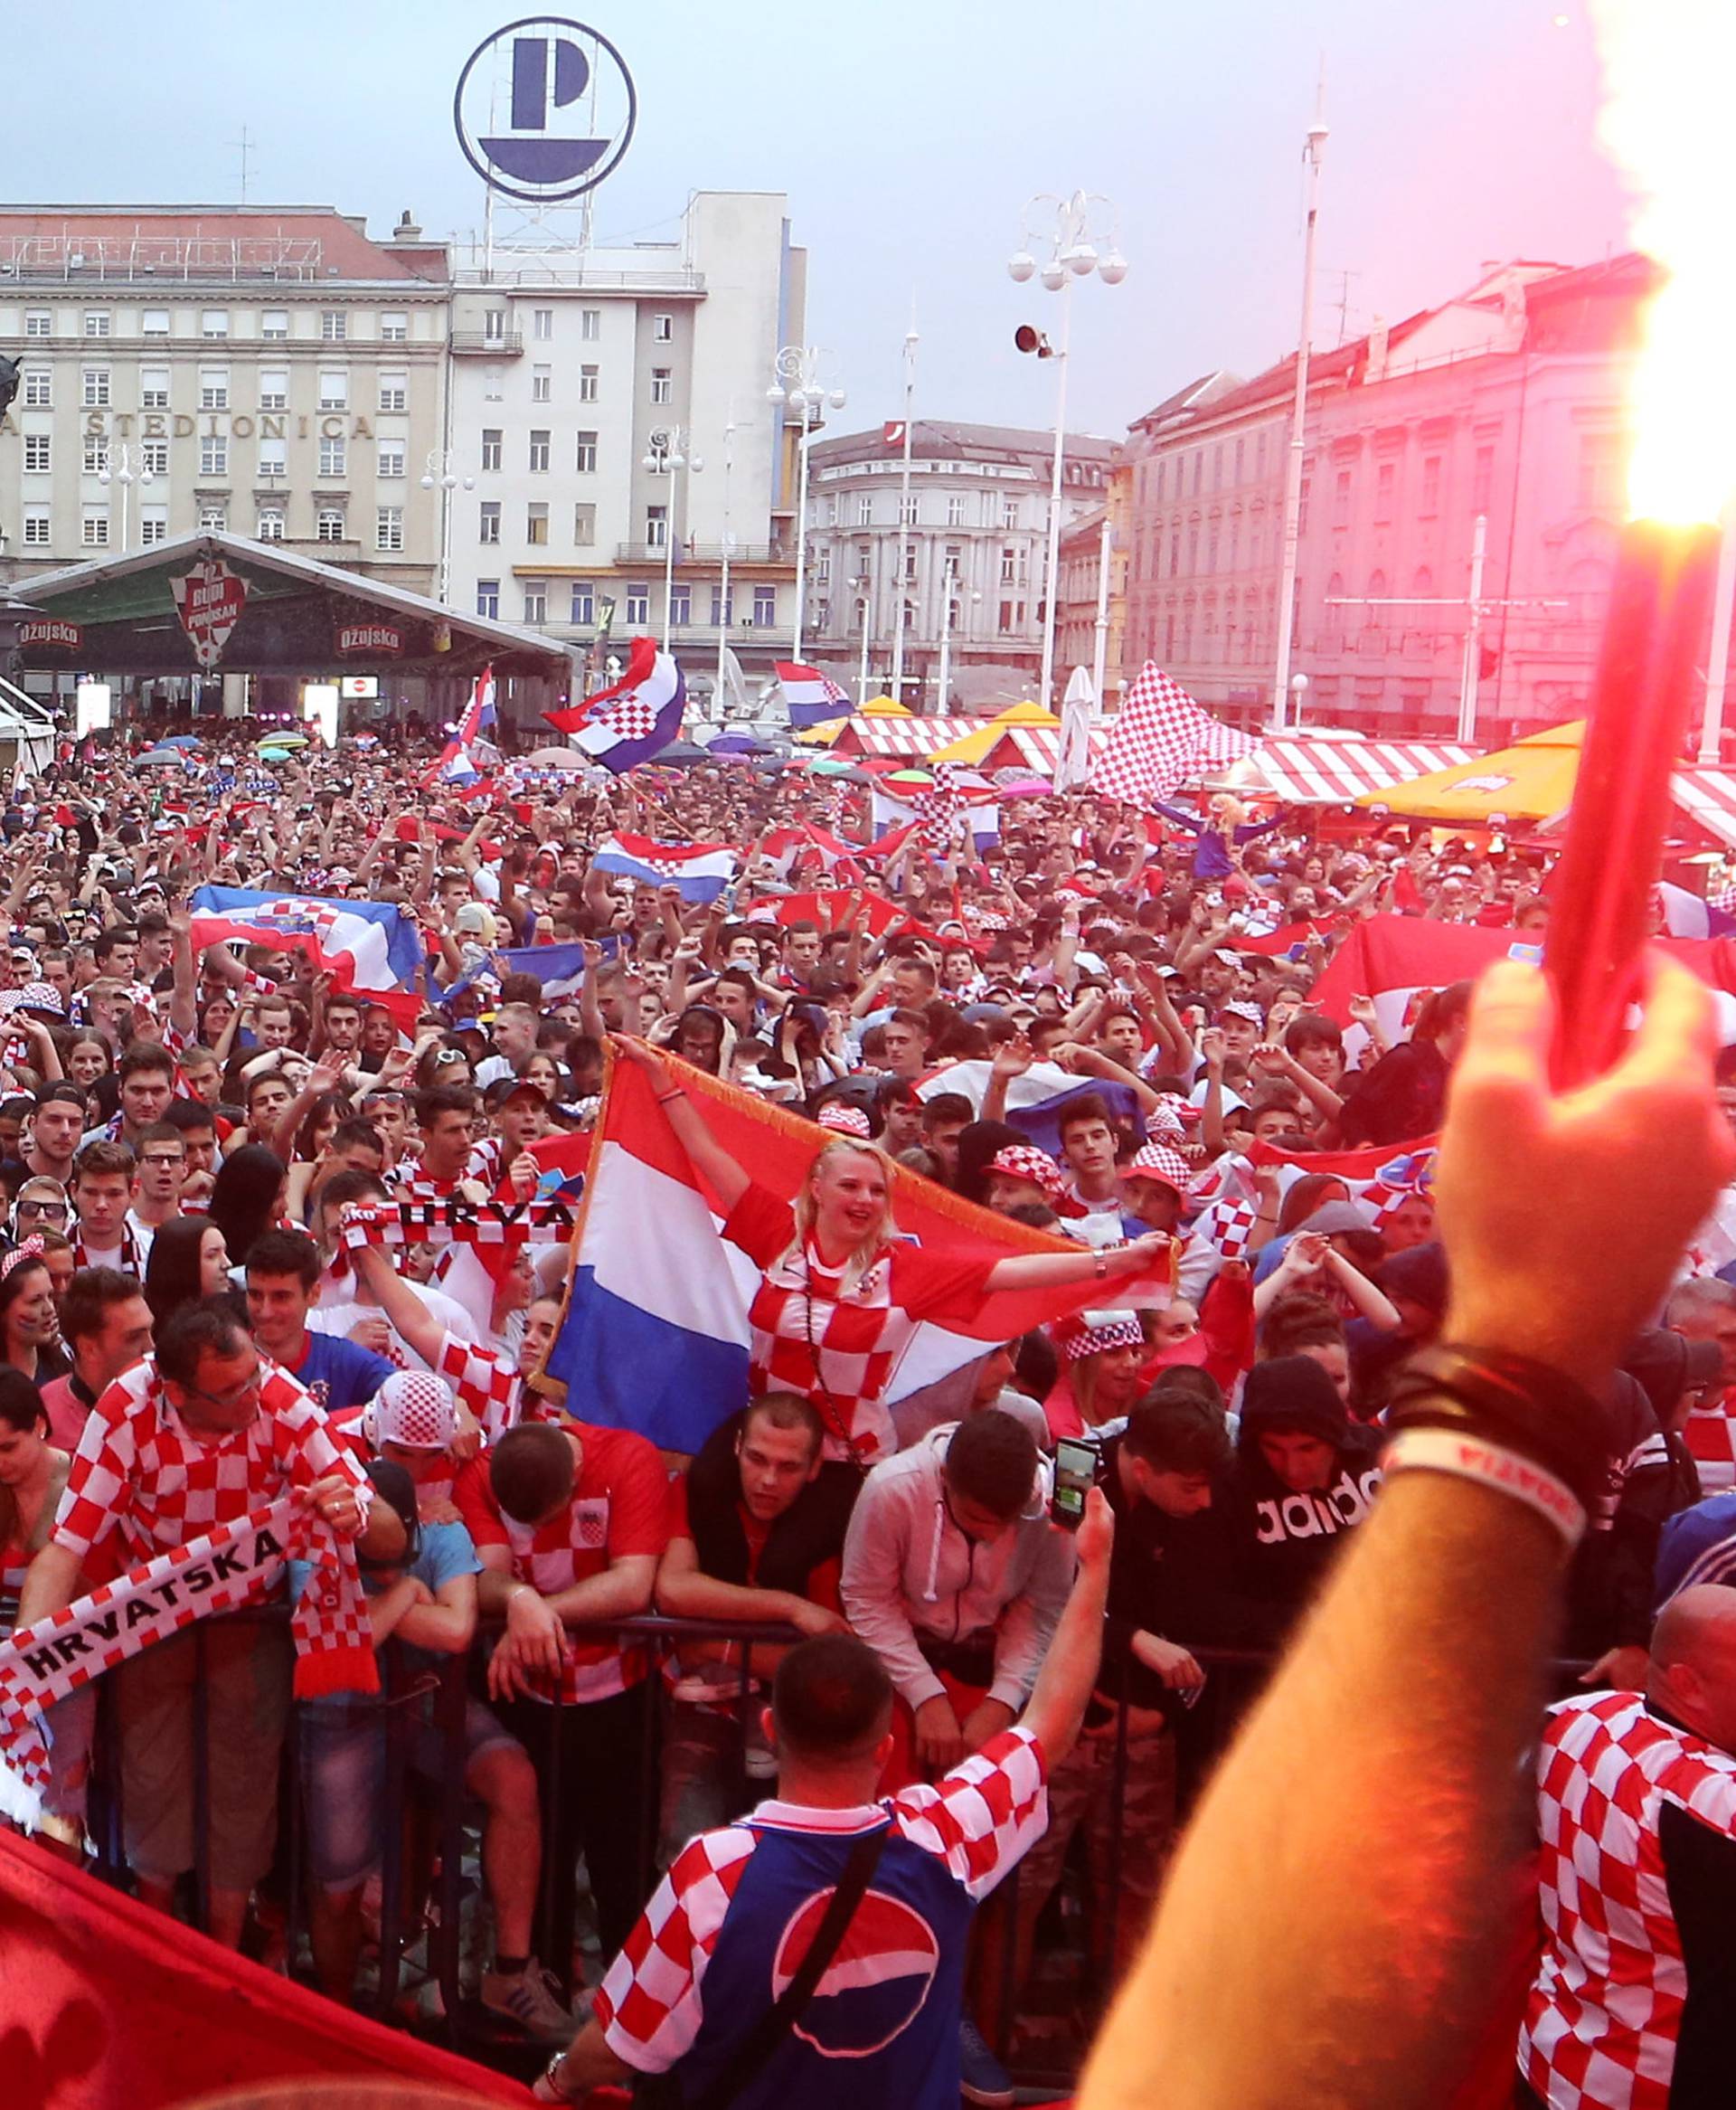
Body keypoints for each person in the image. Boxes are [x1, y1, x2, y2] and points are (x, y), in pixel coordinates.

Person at [1077, 958, 1734, 2110]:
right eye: (1277, 1447)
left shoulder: (1396, 1475)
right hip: (1237, 1723)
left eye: (1308, 1446)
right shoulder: (1223, 1482)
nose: (1294, 1463)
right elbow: (1172, 1589)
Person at [531, 1483, 1115, 2109]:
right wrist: (1096, 1567)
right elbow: (1051, 1725)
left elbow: (621, 2042)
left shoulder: (712, 1873)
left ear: (770, 1728)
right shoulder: (943, 1835)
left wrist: (557, 2080)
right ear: (886, 1747)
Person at [18, 1297, 401, 1947]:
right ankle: (161, 1954)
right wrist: (26, 1664)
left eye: (254, 1375)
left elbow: (390, 1537)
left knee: (244, 1794)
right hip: (149, 1623)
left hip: (248, 1622)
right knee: (149, 1788)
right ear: (173, 1390)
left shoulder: (279, 1397)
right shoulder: (123, 1407)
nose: (253, 1394)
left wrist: (355, 1513)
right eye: (230, 1391)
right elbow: (66, 1548)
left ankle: (224, 1962)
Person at [612, 1036, 1172, 1469]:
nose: (865, 1199)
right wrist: (664, 1082)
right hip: (764, 1452)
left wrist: (1112, 1262)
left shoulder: (903, 1268)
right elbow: (708, 1154)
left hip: (848, 1463)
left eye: (878, 1190)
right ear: (817, 1190)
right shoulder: (777, 1235)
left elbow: (1012, 1273)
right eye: (851, 1186)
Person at [297, 1372, 578, 2044]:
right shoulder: (322, 1507)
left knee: (513, 1777)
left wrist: (388, 1608)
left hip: (427, 1705)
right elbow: (343, 1633)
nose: (420, 1471)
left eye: (430, 1458)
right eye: (403, 1456)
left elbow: (455, 1632)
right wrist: (408, 1600)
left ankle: (508, 1972)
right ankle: (334, 2017)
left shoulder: (444, 1520)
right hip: (341, 1710)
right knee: (337, 1884)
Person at [1013, 1386, 1233, 1998]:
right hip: (1061, 1729)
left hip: (1148, 1731)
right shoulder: (1075, 1471)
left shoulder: (1210, 1491)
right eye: (1190, 1485)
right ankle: (987, 2048)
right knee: (1022, 1888)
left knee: (1139, 1892)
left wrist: (1156, 1712)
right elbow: (1053, 1598)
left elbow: (1209, 1612)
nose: (1206, 1498)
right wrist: (1136, 1640)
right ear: (1141, 1468)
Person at [456, 1415, 669, 1969]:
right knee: (541, 1872)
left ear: (575, 1476)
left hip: (624, 1700)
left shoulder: (628, 1455)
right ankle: (539, 2007)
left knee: (624, 1872)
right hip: (532, 1702)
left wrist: (533, 1611)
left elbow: (633, 1582)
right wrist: (519, 1601)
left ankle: (633, 2024)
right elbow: (484, 1577)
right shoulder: (482, 1471)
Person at [1520, 1585, 1736, 2107]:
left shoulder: (1575, 1719)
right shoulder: (1712, 1806)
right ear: (1688, 1682)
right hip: (1645, 2090)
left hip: (1549, 2062)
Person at [655, 1393, 853, 1860]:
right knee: (684, 1847)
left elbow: (830, 1652)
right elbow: (674, 1590)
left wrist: (710, 1645)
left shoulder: (835, 1518)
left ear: (814, 1469)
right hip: (705, 1710)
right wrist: (786, 1607)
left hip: (800, 1725)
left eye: (788, 1467)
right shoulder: (697, 1489)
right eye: (757, 1459)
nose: (767, 1480)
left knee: (788, 1869)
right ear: (737, 1447)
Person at [842, 1408, 1073, 1787]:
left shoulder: (1050, 1503)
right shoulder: (892, 1487)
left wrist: (1004, 1700)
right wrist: (924, 1694)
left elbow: (1045, 1608)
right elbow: (867, 1599)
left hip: (989, 1670)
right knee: (892, 1823)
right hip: (893, 1674)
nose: (994, 1536)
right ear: (946, 1478)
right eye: (978, 1518)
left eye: (1008, 1521)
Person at [244, 1227, 395, 1417]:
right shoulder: (226, 1362)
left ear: (314, 1295)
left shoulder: (341, 1360)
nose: (266, 1311)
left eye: (281, 1297)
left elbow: (408, 1397)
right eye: (255, 1295)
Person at [38, 1265, 156, 1452]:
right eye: (133, 1338)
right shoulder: (46, 1423)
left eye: (151, 1331)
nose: (151, 1348)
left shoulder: (170, 1402)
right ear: (89, 1349)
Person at [144, 1215, 236, 1331]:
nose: (227, 1264)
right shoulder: (149, 1327)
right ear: (182, 1263)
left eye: (225, 1252)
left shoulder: (235, 1319)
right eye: (212, 1256)